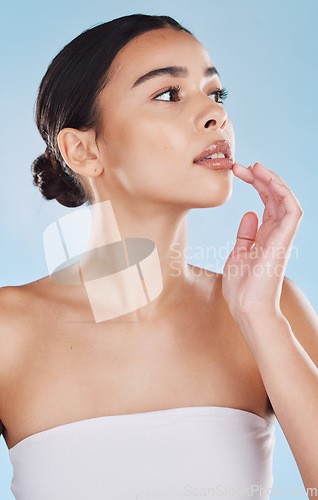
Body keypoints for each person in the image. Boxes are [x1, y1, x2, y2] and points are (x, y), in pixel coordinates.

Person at [0, 13, 317, 500]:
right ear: (82, 151)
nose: (216, 116)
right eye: (168, 94)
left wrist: (260, 318)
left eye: (216, 94)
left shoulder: (273, 313)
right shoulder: (7, 332)